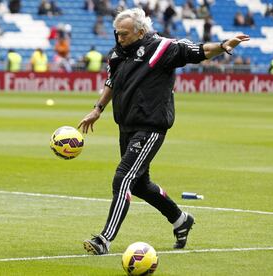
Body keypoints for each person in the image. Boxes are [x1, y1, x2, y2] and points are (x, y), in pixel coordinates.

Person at [78, 8, 249, 255]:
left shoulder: (163, 48)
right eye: (117, 34)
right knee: (139, 185)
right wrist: (97, 109)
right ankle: (181, 220)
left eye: (124, 34)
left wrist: (223, 45)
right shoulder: (116, 53)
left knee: (123, 177)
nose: (119, 38)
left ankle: (104, 240)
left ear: (141, 31)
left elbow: (200, 51)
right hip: (126, 125)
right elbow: (112, 83)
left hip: (151, 126)